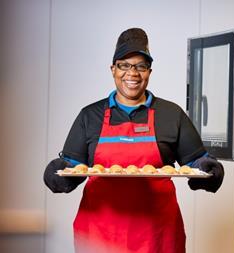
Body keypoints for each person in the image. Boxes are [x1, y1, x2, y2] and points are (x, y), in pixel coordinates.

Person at [43, 27, 224, 253]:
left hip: (157, 235)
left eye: (140, 66)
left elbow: (196, 161)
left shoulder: (171, 114)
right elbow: (72, 165)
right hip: (99, 236)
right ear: (113, 69)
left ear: (149, 71)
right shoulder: (90, 116)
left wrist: (209, 169)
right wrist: (58, 173)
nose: (133, 73)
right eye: (125, 65)